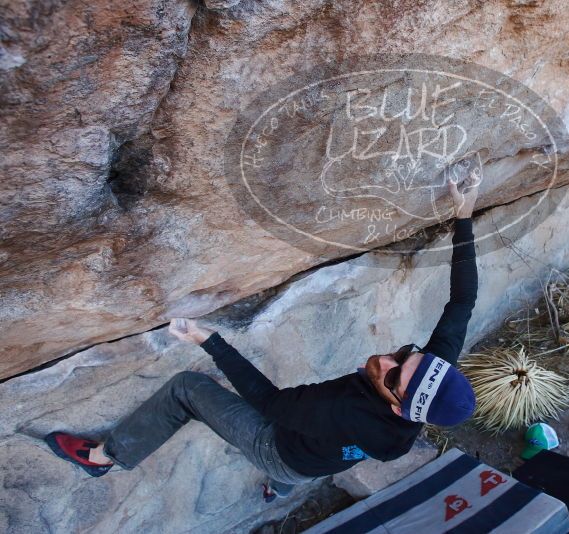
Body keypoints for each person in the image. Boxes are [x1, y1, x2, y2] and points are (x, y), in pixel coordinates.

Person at [45, 165, 481, 501]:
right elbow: (461, 301)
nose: (388, 359)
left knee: (188, 388)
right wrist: (464, 214)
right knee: (325, 451)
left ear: (402, 406)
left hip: (280, 449)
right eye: (407, 354)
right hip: (325, 455)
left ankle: (103, 458)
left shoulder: (343, 411)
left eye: (392, 375)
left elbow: (270, 403)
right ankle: (282, 488)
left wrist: (208, 341)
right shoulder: (426, 385)